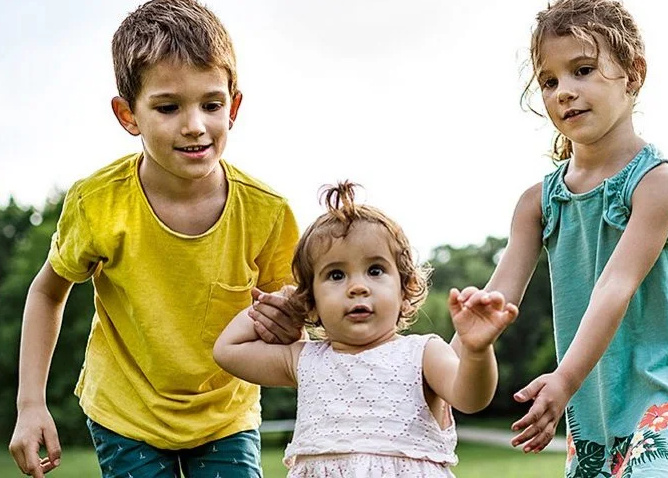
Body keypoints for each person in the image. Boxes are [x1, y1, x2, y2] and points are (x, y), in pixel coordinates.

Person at [6, 0, 302, 476]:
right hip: (126, 414)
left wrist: (288, 325)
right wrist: (30, 405)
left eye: (211, 104)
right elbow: (47, 293)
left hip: (225, 416)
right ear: (129, 115)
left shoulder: (268, 212)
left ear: (234, 106)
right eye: (168, 107)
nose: (194, 125)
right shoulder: (97, 203)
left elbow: (295, 314)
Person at [453, 0, 668, 475]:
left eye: (583, 69)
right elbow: (495, 302)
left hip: (667, 392)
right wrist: (464, 346)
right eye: (550, 81)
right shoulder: (536, 203)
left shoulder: (657, 183)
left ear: (633, 74)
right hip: (592, 411)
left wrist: (563, 379)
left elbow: (614, 287)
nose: (564, 92)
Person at [214, 182, 519, 477]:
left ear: (405, 289)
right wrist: (282, 301)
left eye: (375, 270)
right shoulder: (304, 360)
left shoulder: (422, 353)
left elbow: (470, 398)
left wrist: (477, 352)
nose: (357, 287)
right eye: (335, 275)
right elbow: (228, 351)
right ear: (311, 301)